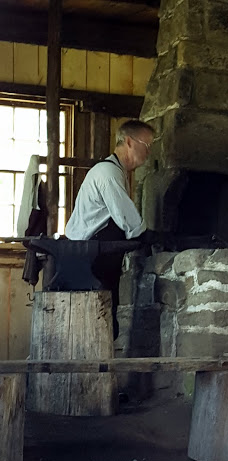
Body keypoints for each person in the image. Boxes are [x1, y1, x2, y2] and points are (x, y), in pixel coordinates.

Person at [65, 119, 155, 338]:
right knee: (97, 327)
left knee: (106, 324)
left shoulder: (115, 171)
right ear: (129, 142)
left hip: (94, 255)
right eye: (147, 145)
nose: (149, 152)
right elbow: (128, 220)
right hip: (87, 258)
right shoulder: (108, 173)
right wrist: (150, 237)